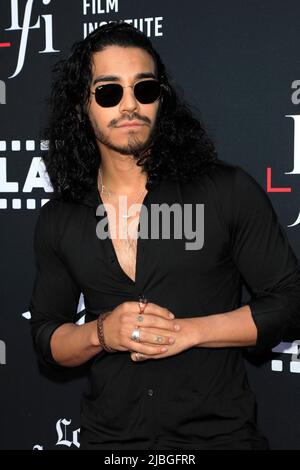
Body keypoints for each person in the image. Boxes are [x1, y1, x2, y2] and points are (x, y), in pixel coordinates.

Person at [29, 21, 300, 450]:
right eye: (108, 91)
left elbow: (289, 301)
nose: (130, 105)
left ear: (162, 99)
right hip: (111, 445)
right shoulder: (61, 218)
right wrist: (102, 333)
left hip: (219, 440)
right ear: (83, 106)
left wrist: (191, 332)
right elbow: (48, 338)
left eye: (145, 89)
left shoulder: (225, 190)